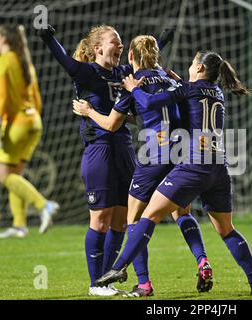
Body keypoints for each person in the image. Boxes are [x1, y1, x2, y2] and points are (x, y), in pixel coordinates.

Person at [93, 50, 252, 295]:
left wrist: (133, 88)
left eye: (192, 62)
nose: (189, 65)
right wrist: (177, 81)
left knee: (148, 215)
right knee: (226, 229)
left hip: (193, 165)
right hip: (219, 167)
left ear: (199, 69)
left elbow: (149, 103)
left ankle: (119, 268)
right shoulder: (216, 92)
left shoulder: (189, 89)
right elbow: (192, 93)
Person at [39, 25, 175, 296]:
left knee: (121, 221)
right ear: (98, 48)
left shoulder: (124, 73)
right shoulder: (87, 72)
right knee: (100, 219)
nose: (121, 46)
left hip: (124, 148)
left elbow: (142, 57)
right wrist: (48, 36)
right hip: (98, 148)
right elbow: (64, 59)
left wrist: (162, 39)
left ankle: (106, 280)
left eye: (122, 43)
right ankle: (94, 283)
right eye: (115, 42)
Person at [72, 35, 213, 297]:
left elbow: (112, 124)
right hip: (182, 154)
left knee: (133, 219)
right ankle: (202, 260)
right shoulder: (172, 81)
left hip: (154, 154)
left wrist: (89, 112)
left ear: (130, 58)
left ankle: (144, 283)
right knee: (181, 212)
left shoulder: (133, 84)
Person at [0, 24, 59, 239]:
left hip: (16, 124)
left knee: (3, 175)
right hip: (33, 121)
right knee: (16, 175)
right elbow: (36, 97)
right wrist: (34, 120)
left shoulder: (1, 62)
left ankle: (43, 204)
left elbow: (2, 97)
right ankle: (19, 225)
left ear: (4, 39)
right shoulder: (25, 61)